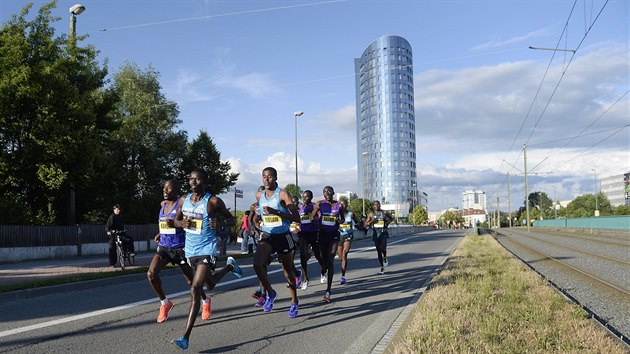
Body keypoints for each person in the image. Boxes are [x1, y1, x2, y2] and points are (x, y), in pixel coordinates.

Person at [170, 168, 243, 351]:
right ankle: (229, 268)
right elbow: (174, 222)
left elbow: (232, 220)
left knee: (195, 288)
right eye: (190, 179)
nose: (192, 182)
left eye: (196, 179)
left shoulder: (213, 201)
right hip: (190, 250)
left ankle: (185, 337)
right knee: (209, 285)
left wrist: (219, 223)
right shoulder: (183, 200)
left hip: (207, 249)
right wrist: (181, 223)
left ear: (204, 181)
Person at [146, 179, 211, 323]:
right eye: (164, 188)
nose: (165, 191)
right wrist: (160, 233)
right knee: (151, 274)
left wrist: (178, 224)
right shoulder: (163, 205)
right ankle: (165, 303)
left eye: (169, 188)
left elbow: (188, 224)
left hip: (181, 248)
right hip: (164, 247)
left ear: (177, 190)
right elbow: (164, 224)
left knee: (191, 282)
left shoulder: (182, 205)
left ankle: (205, 301)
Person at [252, 167, 301, 318]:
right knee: (258, 264)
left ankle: (294, 301)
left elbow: (296, 217)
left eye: (270, 177)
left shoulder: (283, 193)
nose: (266, 179)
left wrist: (276, 212)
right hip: (267, 235)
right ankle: (271, 293)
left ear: (275, 178)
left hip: (283, 236)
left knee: (288, 272)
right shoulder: (260, 195)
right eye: (264, 177)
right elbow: (259, 214)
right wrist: (258, 222)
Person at [310, 186, 342, 303]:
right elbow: (312, 217)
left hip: (334, 234)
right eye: (324, 191)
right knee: (324, 260)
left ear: (333, 192)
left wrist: (339, 221)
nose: (327, 193)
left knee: (330, 258)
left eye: (329, 191)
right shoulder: (319, 205)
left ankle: (328, 290)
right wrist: (318, 226)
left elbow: (342, 219)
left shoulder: (339, 205)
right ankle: (323, 268)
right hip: (323, 235)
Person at [297, 190, 324, 290]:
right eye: (303, 197)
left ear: (311, 197)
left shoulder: (314, 206)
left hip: (313, 233)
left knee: (318, 255)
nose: (305, 198)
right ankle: (305, 279)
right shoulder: (301, 207)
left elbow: (320, 217)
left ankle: (323, 270)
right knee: (302, 256)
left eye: (307, 197)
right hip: (303, 234)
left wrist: (314, 217)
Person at [364, 200, 393, 275]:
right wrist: (371, 222)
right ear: (373, 206)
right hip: (376, 233)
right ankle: (382, 267)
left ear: (380, 205)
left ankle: (385, 256)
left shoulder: (384, 212)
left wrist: (387, 223)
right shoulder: (370, 214)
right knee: (378, 251)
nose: (377, 206)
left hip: (383, 232)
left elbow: (391, 218)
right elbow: (365, 225)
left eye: (378, 204)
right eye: (375, 205)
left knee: (383, 248)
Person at [337, 199, 355, 285]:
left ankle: (343, 276)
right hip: (339, 236)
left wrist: (363, 227)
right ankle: (343, 263)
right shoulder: (336, 214)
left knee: (344, 253)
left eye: (343, 204)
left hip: (348, 235)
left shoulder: (350, 214)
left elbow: (358, 222)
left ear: (346, 205)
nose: (341, 206)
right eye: (340, 204)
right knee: (340, 257)